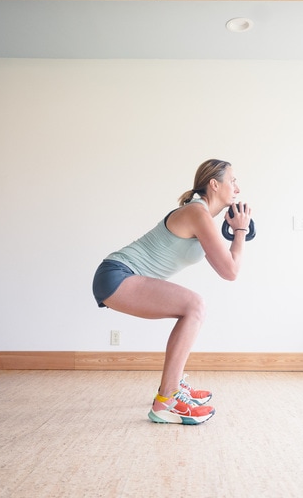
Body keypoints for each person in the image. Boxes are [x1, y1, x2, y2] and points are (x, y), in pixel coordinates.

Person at [92, 159, 252, 425]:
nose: (237, 187)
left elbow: (227, 269)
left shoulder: (202, 217)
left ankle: (174, 386)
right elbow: (231, 271)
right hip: (116, 274)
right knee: (195, 306)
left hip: (120, 276)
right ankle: (167, 400)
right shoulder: (197, 214)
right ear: (214, 184)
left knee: (193, 307)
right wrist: (241, 230)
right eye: (232, 180)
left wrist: (238, 232)